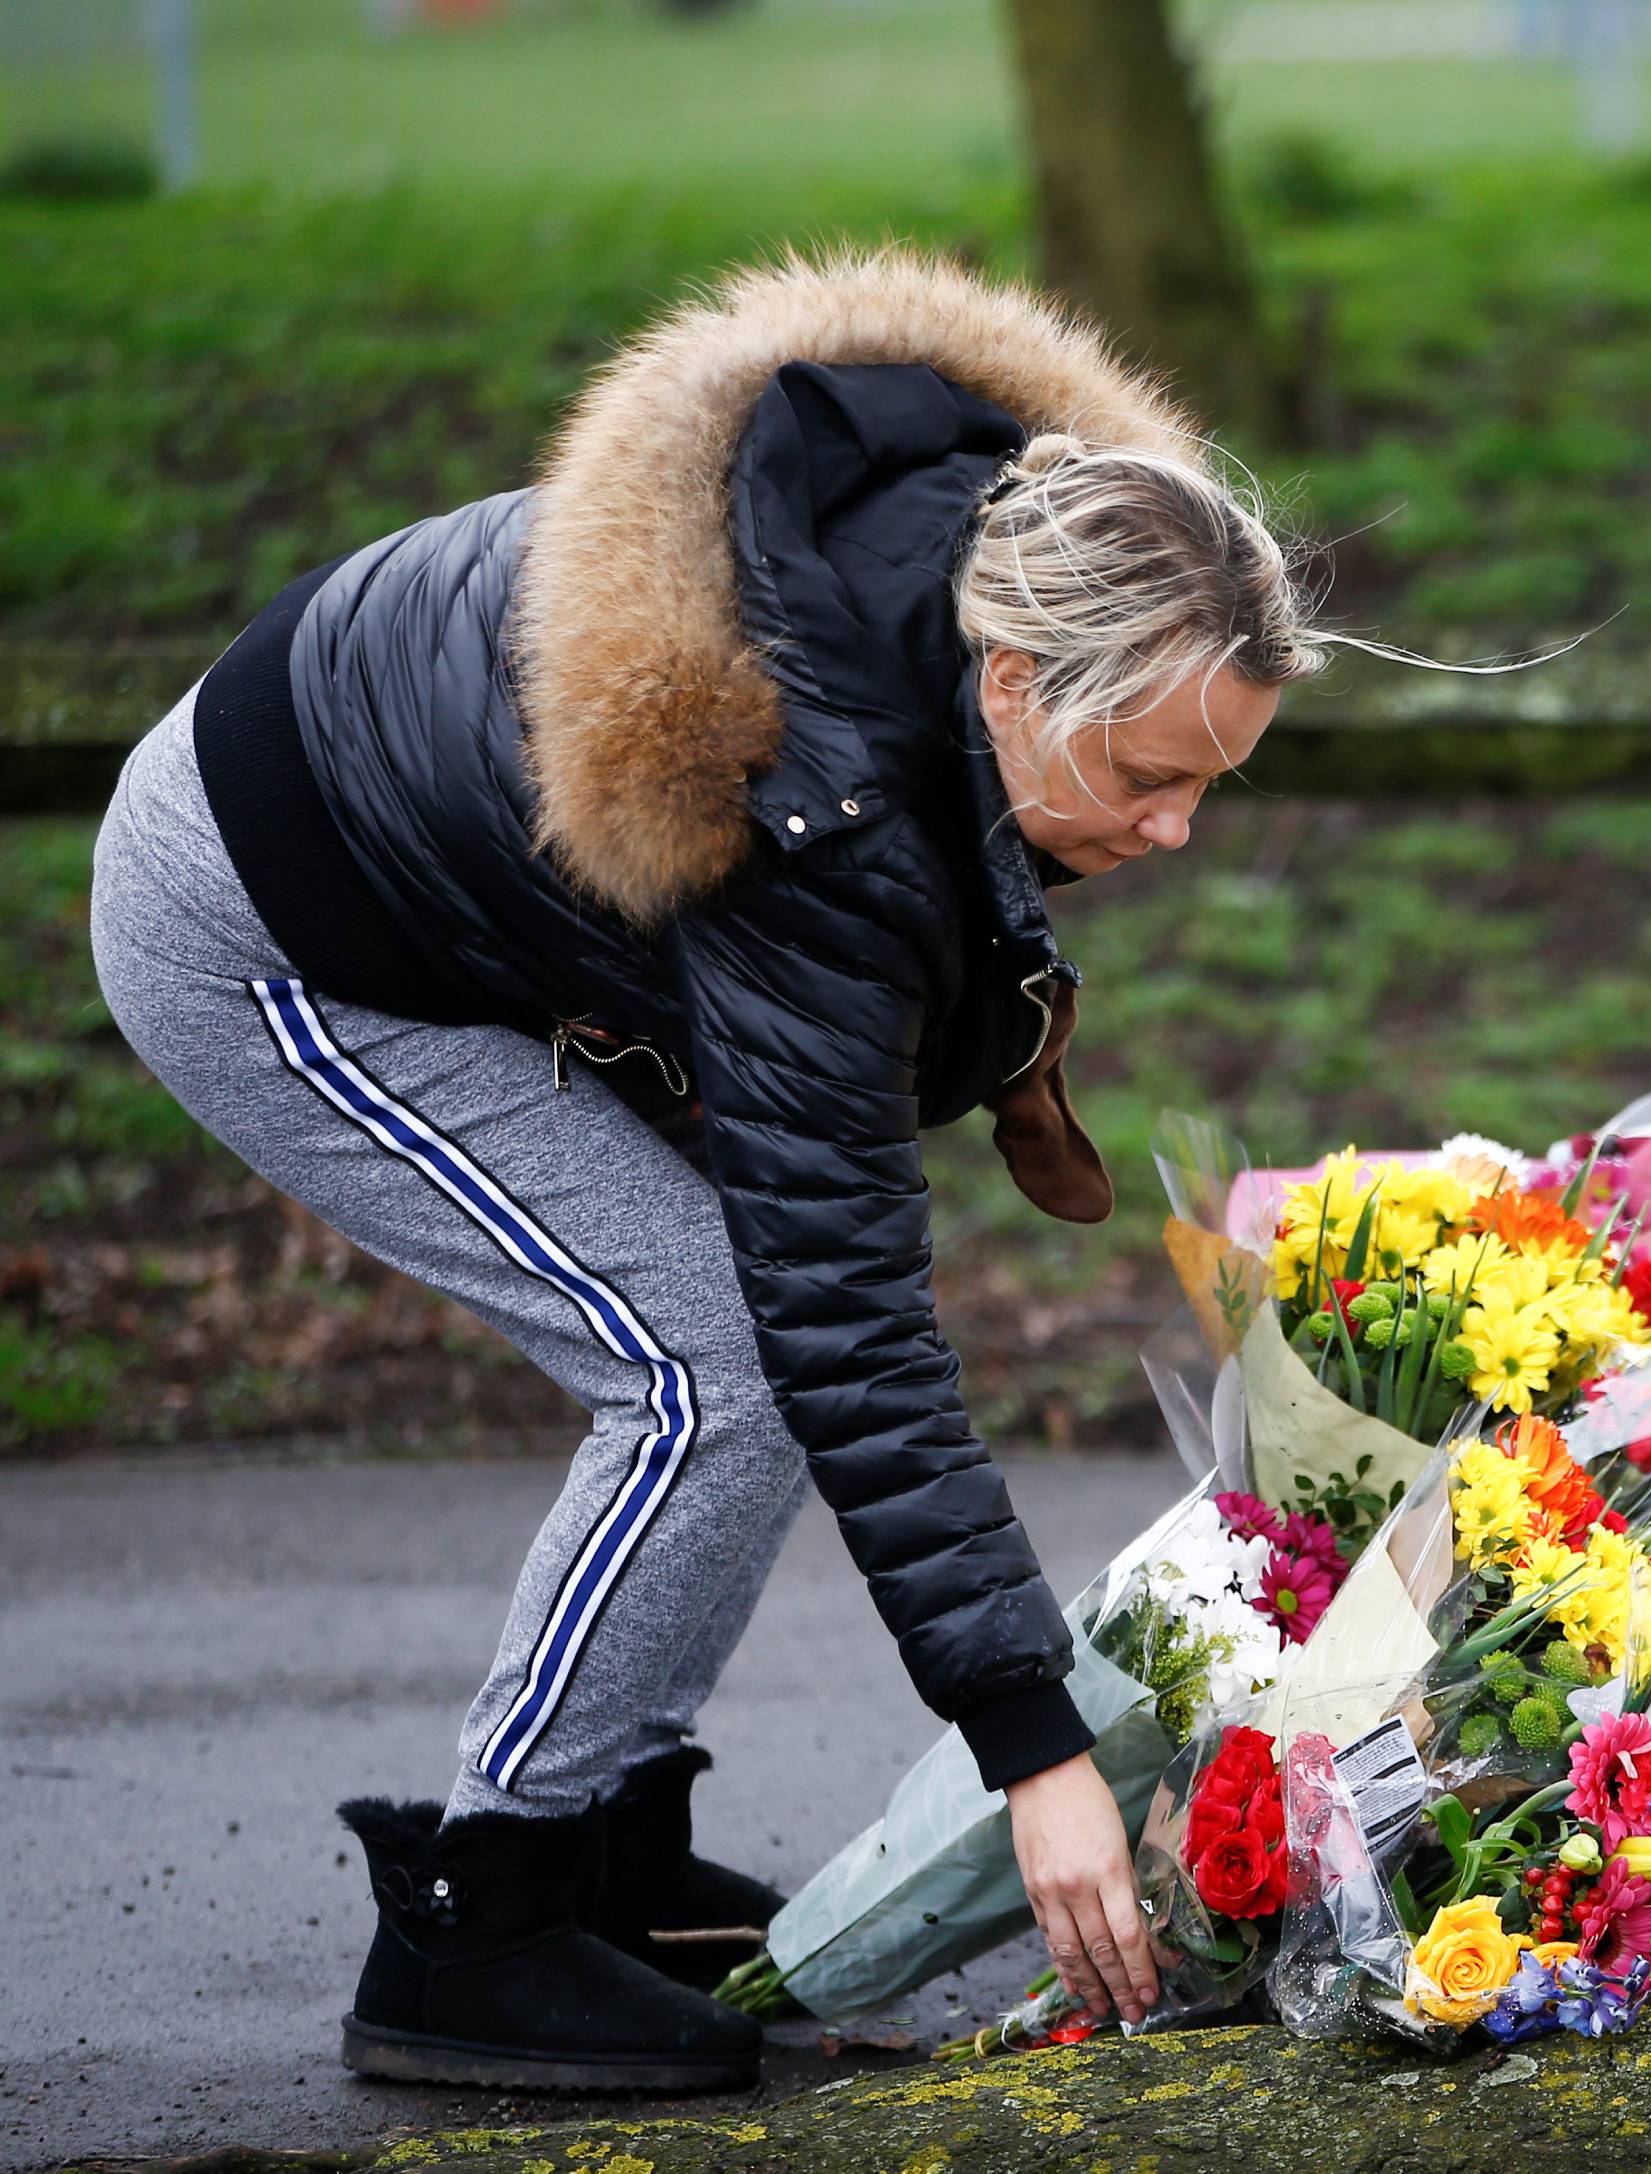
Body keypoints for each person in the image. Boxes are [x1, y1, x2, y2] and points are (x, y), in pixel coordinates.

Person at [88, 247, 1331, 2094]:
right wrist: (1034, 1748)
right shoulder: (805, 799)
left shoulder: (977, 579)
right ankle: (484, 1913)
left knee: (728, 1347)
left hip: (459, 874)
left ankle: (611, 1844)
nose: (1173, 829)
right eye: (1149, 774)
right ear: (1006, 680)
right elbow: (844, 1315)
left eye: (1212, 780)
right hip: (269, 926)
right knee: (717, 1362)